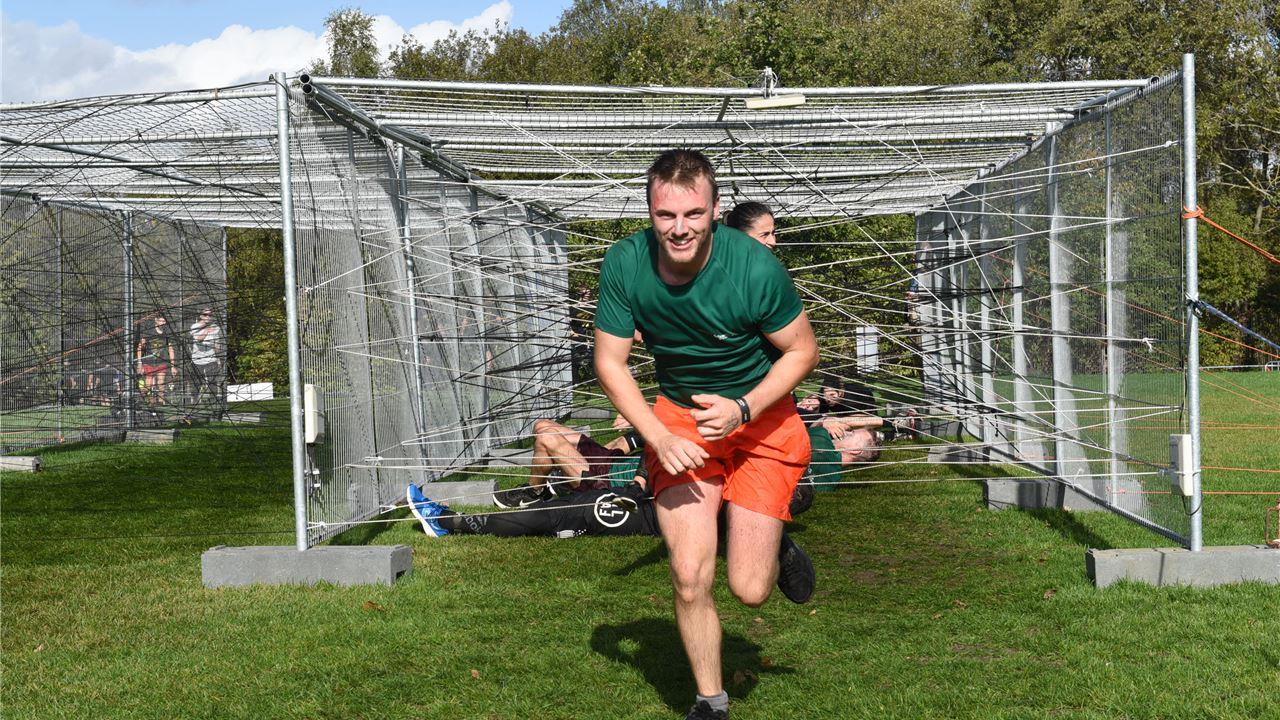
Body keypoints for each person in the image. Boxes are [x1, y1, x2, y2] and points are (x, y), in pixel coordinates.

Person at [593, 149, 819, 720]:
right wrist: (658, 438)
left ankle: (774, 545)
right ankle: (710, 702)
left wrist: (743, 408)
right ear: (649, 211)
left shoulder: (754, 266)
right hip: (678, 419)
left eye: (693, 214)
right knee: (690, 575)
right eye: (665, 215)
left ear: (715, 210)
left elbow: (802, 351)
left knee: (750, 588)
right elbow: (610, 363)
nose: (679, 228)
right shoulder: (624, 263)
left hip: (760, 418)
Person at [493, 418, 645, 509]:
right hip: (609, 460)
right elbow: (632, 440)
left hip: (604, 483)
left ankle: (534, 492)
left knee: (547, 438)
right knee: (541, 425)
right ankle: (557, 482)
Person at [136, 314, 176, 405]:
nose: (163, 323)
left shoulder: (166, 333)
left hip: (161, 362)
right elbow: (140, 347)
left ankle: (161, 402)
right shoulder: (149, 332)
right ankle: (147, 400)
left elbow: (171, 349)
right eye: (161, 321)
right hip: (149, 362)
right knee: (148, 385)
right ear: (156, 320)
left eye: (164, 321)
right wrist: (139, 362)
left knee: (161, 383)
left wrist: (173, 366)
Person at [188, 308, 224, 404]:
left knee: (213, 382)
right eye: (205, 315)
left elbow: (216, 344)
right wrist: (207, 330)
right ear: (201, 316)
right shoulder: (195, 326)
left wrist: (218, 357)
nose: (208, 317)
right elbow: (199, 339)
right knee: (197, 383)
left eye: (210, 315)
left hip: (211, 359)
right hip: (197, 360)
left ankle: (213, 403)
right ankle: (194, 401)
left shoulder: (216, 328)